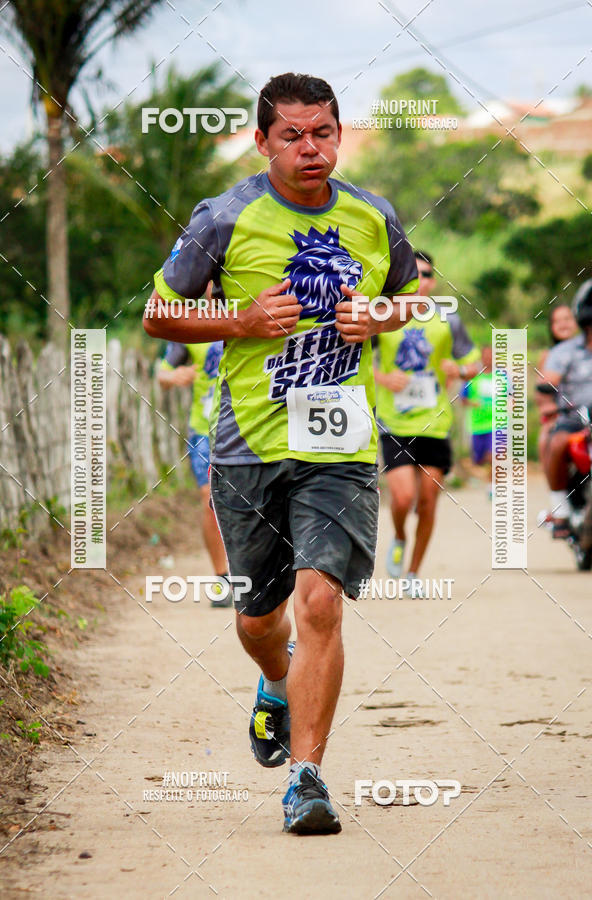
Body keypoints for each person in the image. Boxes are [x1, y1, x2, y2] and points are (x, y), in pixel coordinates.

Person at [143, 72, 419, 834]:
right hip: (248, 447)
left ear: (340, 135)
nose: (310, 148)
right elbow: (159, 313)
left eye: (322, 132)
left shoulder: (374, 216)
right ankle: (275, 679)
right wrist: (239, 321)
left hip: (339, 443)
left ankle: (307, 779)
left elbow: (409, 298)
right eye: (292, 135)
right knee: (260, 620)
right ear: (262, 140)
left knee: (321, 600)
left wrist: (380, 316)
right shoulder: (225, 217)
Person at [374, 250, 480, 591]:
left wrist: (459, 370)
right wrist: (382, 378)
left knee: (428, 501)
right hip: (395, 423)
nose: (422, 280)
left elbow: (475, 364)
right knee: (403, 498)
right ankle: (400, 536)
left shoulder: (448, 319)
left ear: (434, 281)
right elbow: (356, 357)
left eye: (428, 274)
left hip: (435, 423)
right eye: (415, 273)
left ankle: (413, 574)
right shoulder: (383, 313)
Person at [158, 337, 230, 607]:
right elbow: (162, 374)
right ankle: (222, 578)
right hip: (204, 430)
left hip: (248, 426)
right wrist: (172, 376)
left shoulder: (255, 318)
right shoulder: (195, 325)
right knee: (210, 499)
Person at [542, 278, 592, 539]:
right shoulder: (566, 351)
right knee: (556, 443)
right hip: (576, 419)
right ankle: (562, 510)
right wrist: (547, 395)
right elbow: (548, 380)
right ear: (589, 321)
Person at [535, 304, 578, 468]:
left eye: (567, 319)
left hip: (588, 413)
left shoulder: (589, 351)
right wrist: (548, 407)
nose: (563, 324)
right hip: (560, 415)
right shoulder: (548, 356)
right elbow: (540, 391)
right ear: (551, 327)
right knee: (546, 441)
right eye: (557, 321)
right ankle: (555, 483)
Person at [461, 345, 494, 494]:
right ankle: (478, 475)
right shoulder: (473, 377)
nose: (489, 358)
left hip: (497, 423)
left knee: (494, 456)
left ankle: (492, 486)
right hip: (477, 424)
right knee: (479, 460)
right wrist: (473, 403)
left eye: (491, 355)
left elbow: (511, 396)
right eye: (486, 355)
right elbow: (463, 399)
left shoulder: (502, 376)